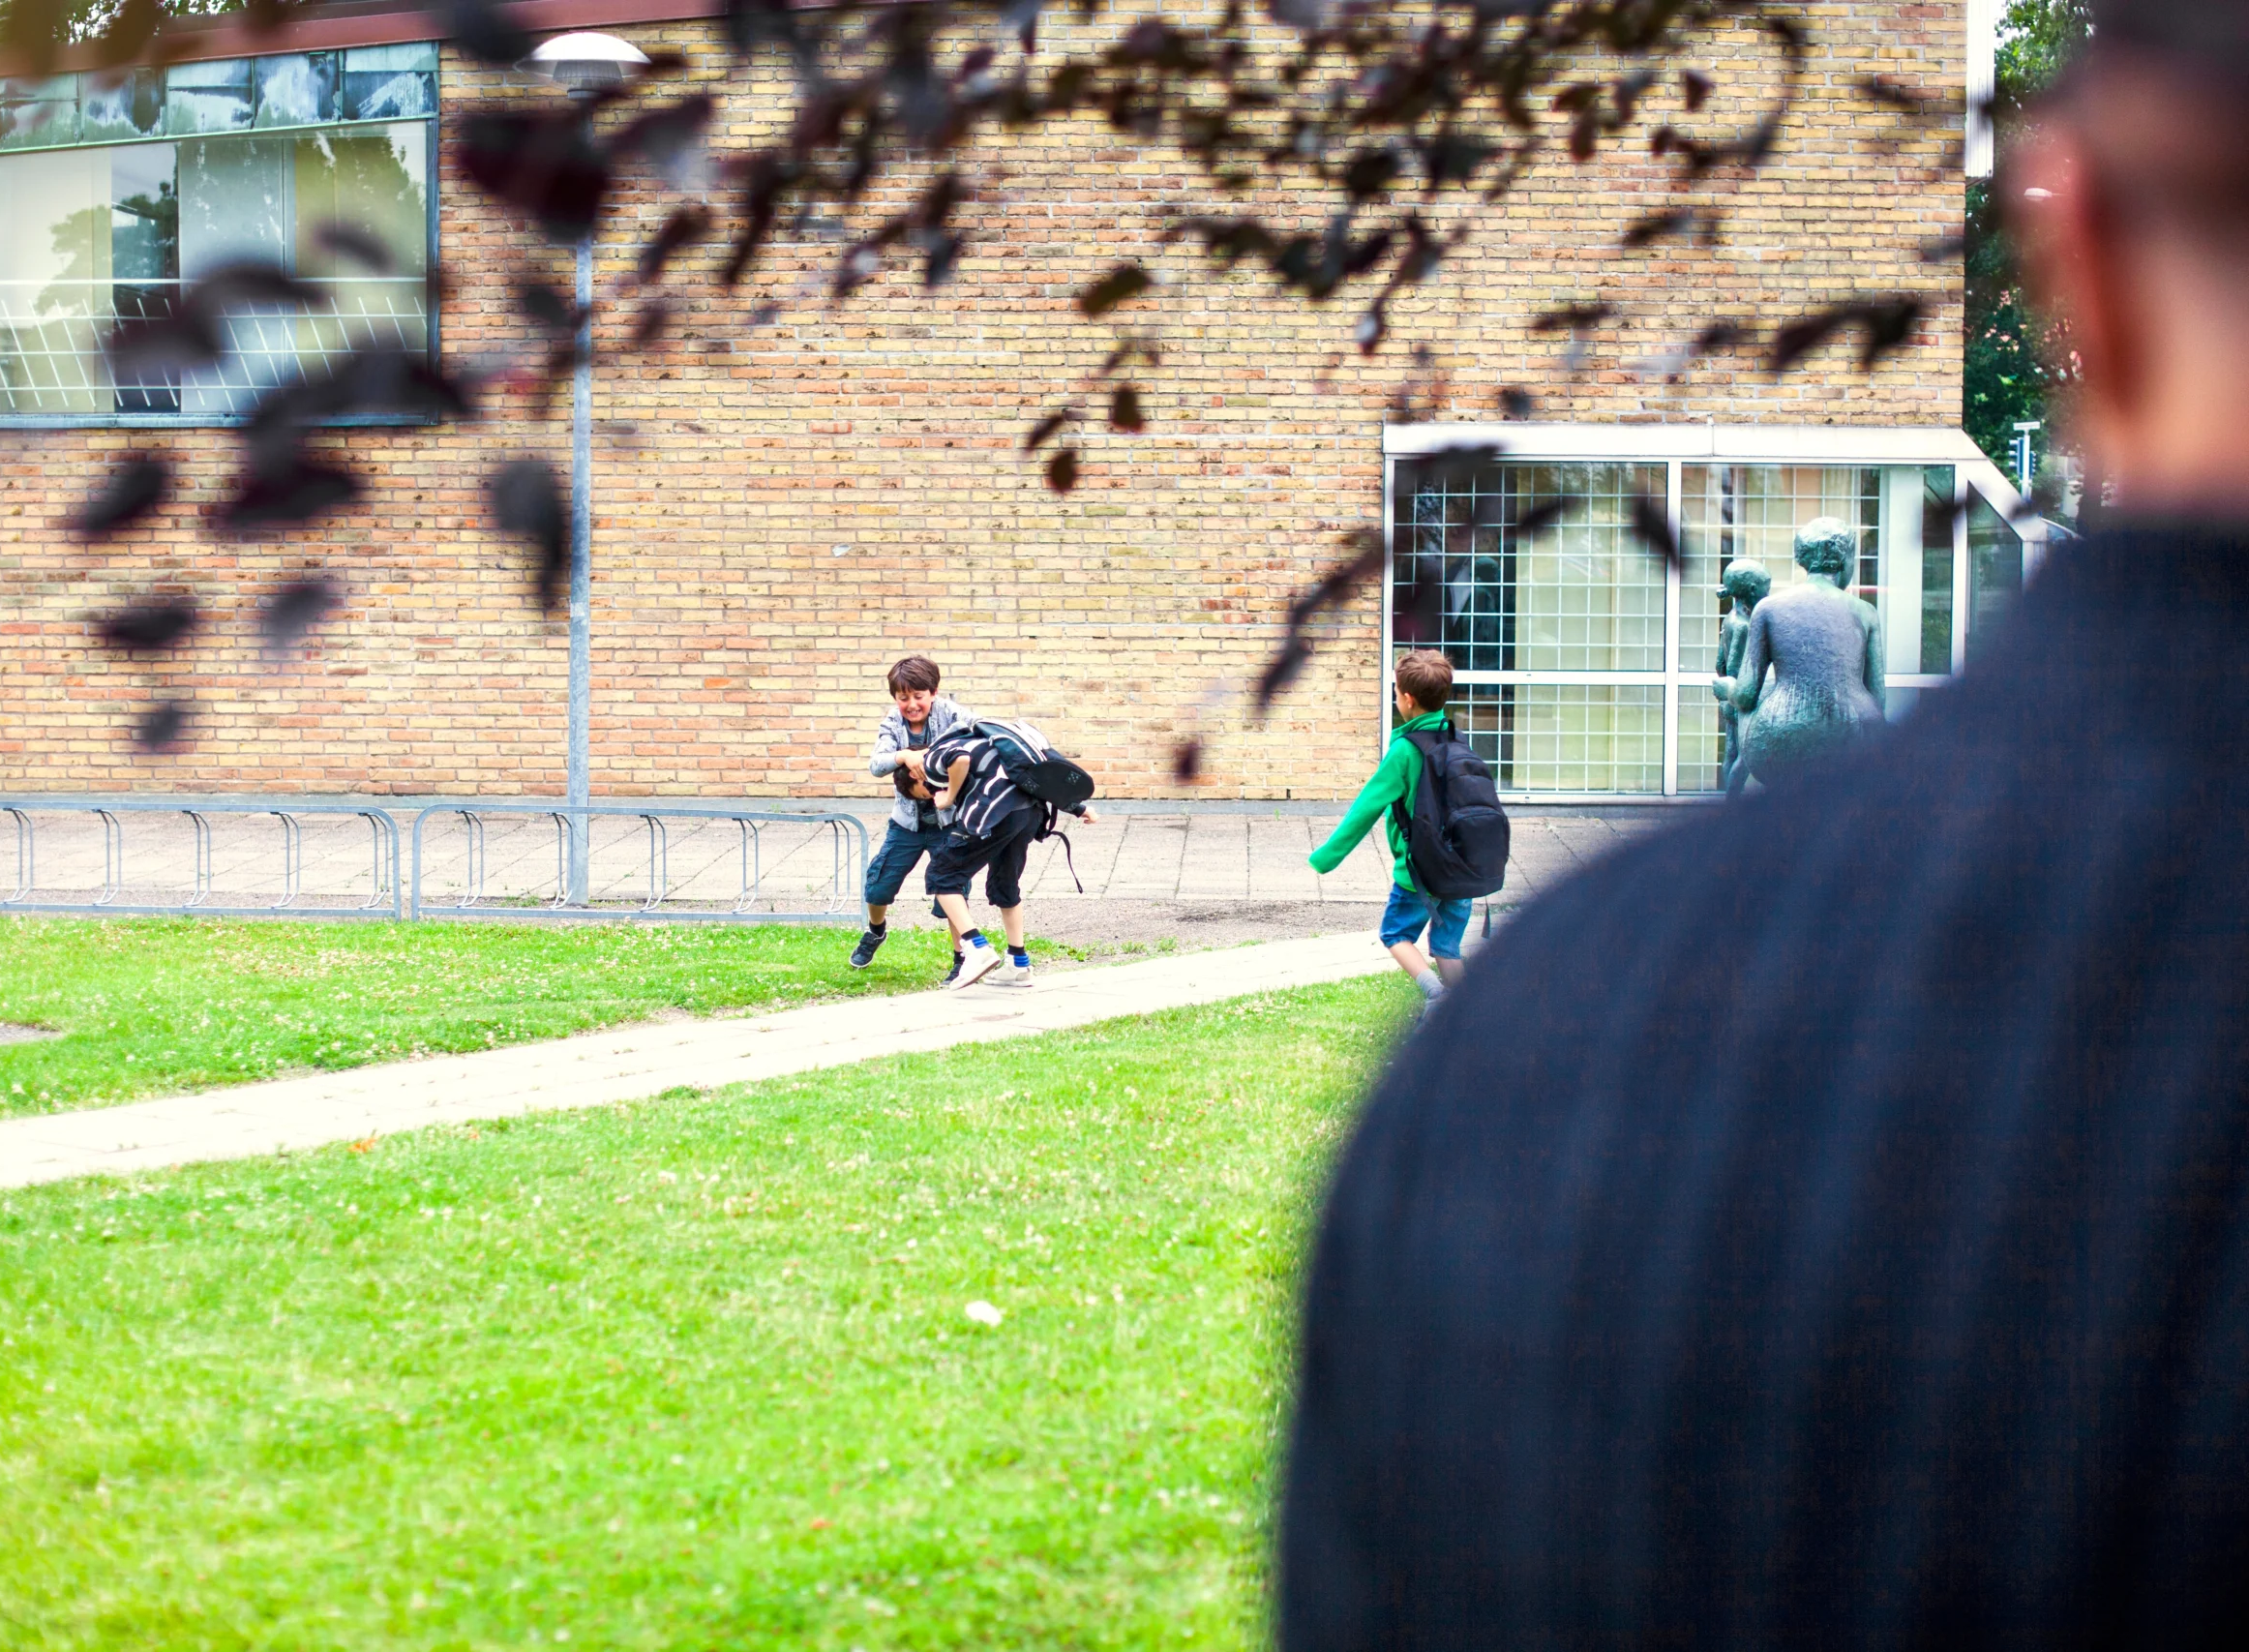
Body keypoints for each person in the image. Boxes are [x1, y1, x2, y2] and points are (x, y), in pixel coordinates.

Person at [1279, 3, 2249, 1646]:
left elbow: (1742, 705)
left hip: (1793, 806)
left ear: (2071, 236)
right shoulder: (1852, 610)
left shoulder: (1571, 1048)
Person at [1307, 649, 1469, 995]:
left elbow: (1365, 810)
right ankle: (1468, 1015)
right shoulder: (1457, 739)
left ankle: (1435, 994)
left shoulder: (1405, 751)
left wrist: (1326, 858)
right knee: (1446, 946)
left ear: (1408, 699)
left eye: (1396, 692)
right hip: (1463, 868)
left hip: (1420, 874)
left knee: (1396, 934)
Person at [920, 723, 1099, 990]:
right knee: (1004, 883)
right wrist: (1077, 807)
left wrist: (948, 798)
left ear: (914, 775)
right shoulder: (992, 741)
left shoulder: (932, 757)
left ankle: (975, 946)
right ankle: (1018, 964)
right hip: (1030, 813)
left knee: (942, 875)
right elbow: (1035, 775)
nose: (928, 797)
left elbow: (960, 760)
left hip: (998, 811)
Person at [851, 655, 968, 970]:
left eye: (919, 696)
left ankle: (962, 958)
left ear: (933, 691)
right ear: (895, 698)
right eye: (904, 698)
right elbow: (876, 764)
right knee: (878, 886)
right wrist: (903, 755)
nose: (912, 704)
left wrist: (932, 756)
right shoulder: (893, 723)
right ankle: (876, 932)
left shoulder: (952, 715)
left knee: (952, 889)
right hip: (907, 824)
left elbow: (977, 738)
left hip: (949, 822)